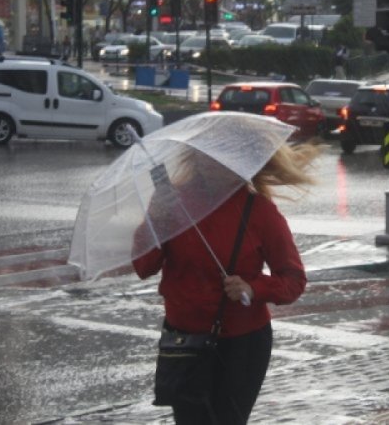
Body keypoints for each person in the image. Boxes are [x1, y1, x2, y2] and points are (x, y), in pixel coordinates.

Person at [132, 142, 319, 425]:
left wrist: (253, 287)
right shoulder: (172, 201)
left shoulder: (259, 211)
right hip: (184, 341)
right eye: (207, 156)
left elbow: (293, 280)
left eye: (224, 158)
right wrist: (156, 218)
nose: (213, 165)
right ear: (195, 158)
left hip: (240, 345)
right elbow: (143, 266)